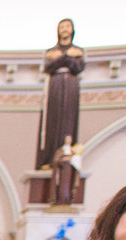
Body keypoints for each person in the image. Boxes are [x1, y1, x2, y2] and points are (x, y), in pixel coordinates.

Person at [35, 18, 85, 171]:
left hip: (70, 87)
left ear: (72, 30)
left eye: (67, 26)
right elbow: (48, 67)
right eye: (61, 26)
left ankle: (66, 154)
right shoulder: (51, 51)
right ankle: (49, 158)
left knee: (68, 120)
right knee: (52, 122)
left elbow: (78, 66)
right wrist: (66, 57)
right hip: (55, 87)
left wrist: (62, 59)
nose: (64, 29)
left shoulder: (78, 51)